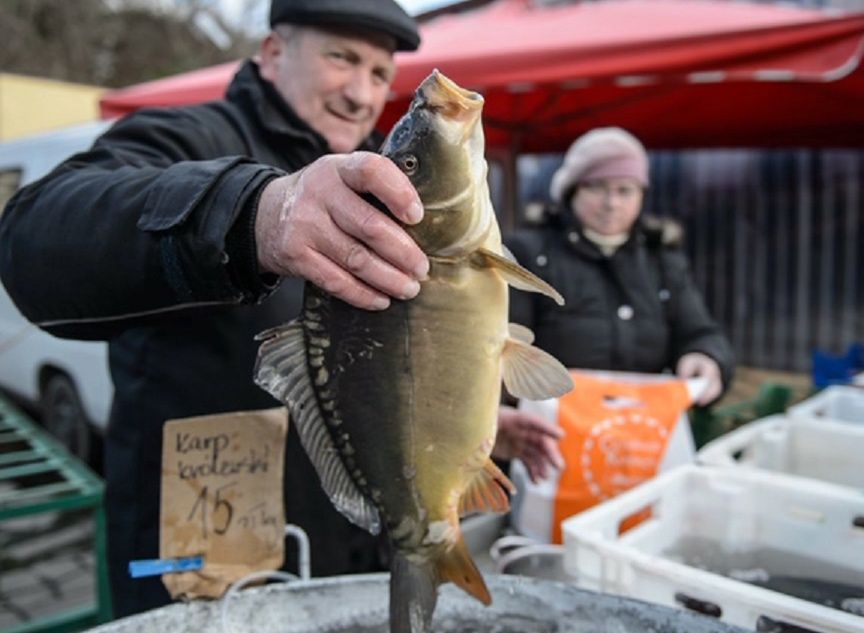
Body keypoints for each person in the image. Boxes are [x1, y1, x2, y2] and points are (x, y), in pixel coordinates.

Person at [0, 0, 561, 618]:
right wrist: (257, 213)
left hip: (352, 550)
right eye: (341, 57)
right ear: (272, 53)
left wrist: (446, 422)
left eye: (379, 73)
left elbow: (392, 354)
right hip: (201, 555)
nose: (360, 92)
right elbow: (31, 239)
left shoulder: (397, 174)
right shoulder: (183, 136)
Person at [507, 127, 734, 405]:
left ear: (641, 195)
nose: (611, 203)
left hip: (640, 425)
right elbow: (505, 339)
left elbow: (698, 331)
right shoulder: (528, 254)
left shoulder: (661, 262)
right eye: (596, 187)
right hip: (550, 424)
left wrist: (705, 356)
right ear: (571, 191)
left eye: (625, 190)